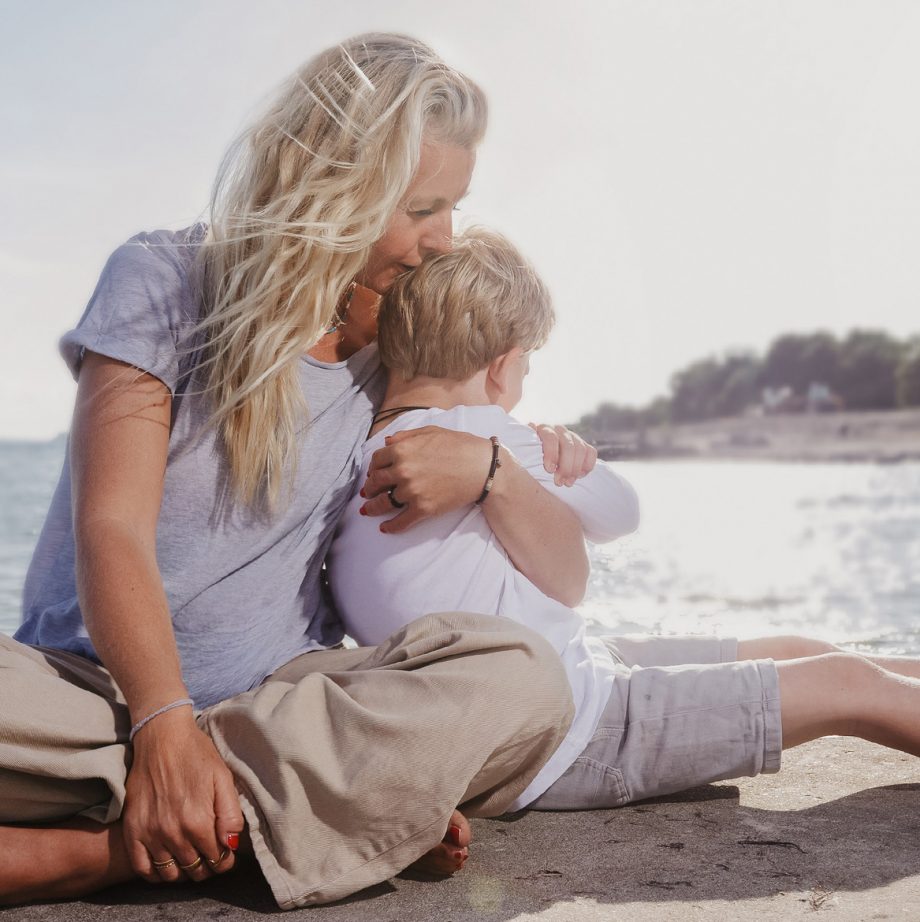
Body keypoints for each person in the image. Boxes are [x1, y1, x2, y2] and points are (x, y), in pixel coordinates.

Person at [0, 34, 595, 909]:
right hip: (88, 699)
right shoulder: (162, 280)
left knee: (523, 675)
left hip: (276, 706)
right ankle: (270, 820)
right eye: (422, 208)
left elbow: (478, 402)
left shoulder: (396, 342)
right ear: (332, 189)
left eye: (454, 208)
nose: (442, 240)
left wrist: (516, 452)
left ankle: (140, 839)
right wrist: (164, 725)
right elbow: (111, 525)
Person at [328, 225, 920, 815]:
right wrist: (565, 454)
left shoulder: (356, 453)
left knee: (794, 648)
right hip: (576, 733)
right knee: (845, 682)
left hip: (539, 693)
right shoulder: (485, 436)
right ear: (502, 367)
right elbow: (620, 512)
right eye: (527, 366)